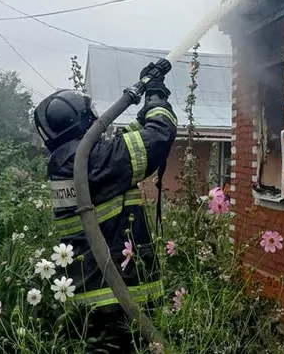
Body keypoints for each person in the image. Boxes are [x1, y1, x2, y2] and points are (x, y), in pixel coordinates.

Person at [33, 64, 177, 353]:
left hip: (96, 299)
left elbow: (128, 142)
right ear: (82, 120)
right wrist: (156, 96)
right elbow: (159, 135)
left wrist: (144, 97)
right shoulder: (91, 161)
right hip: (116, 300)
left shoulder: (71, 163)